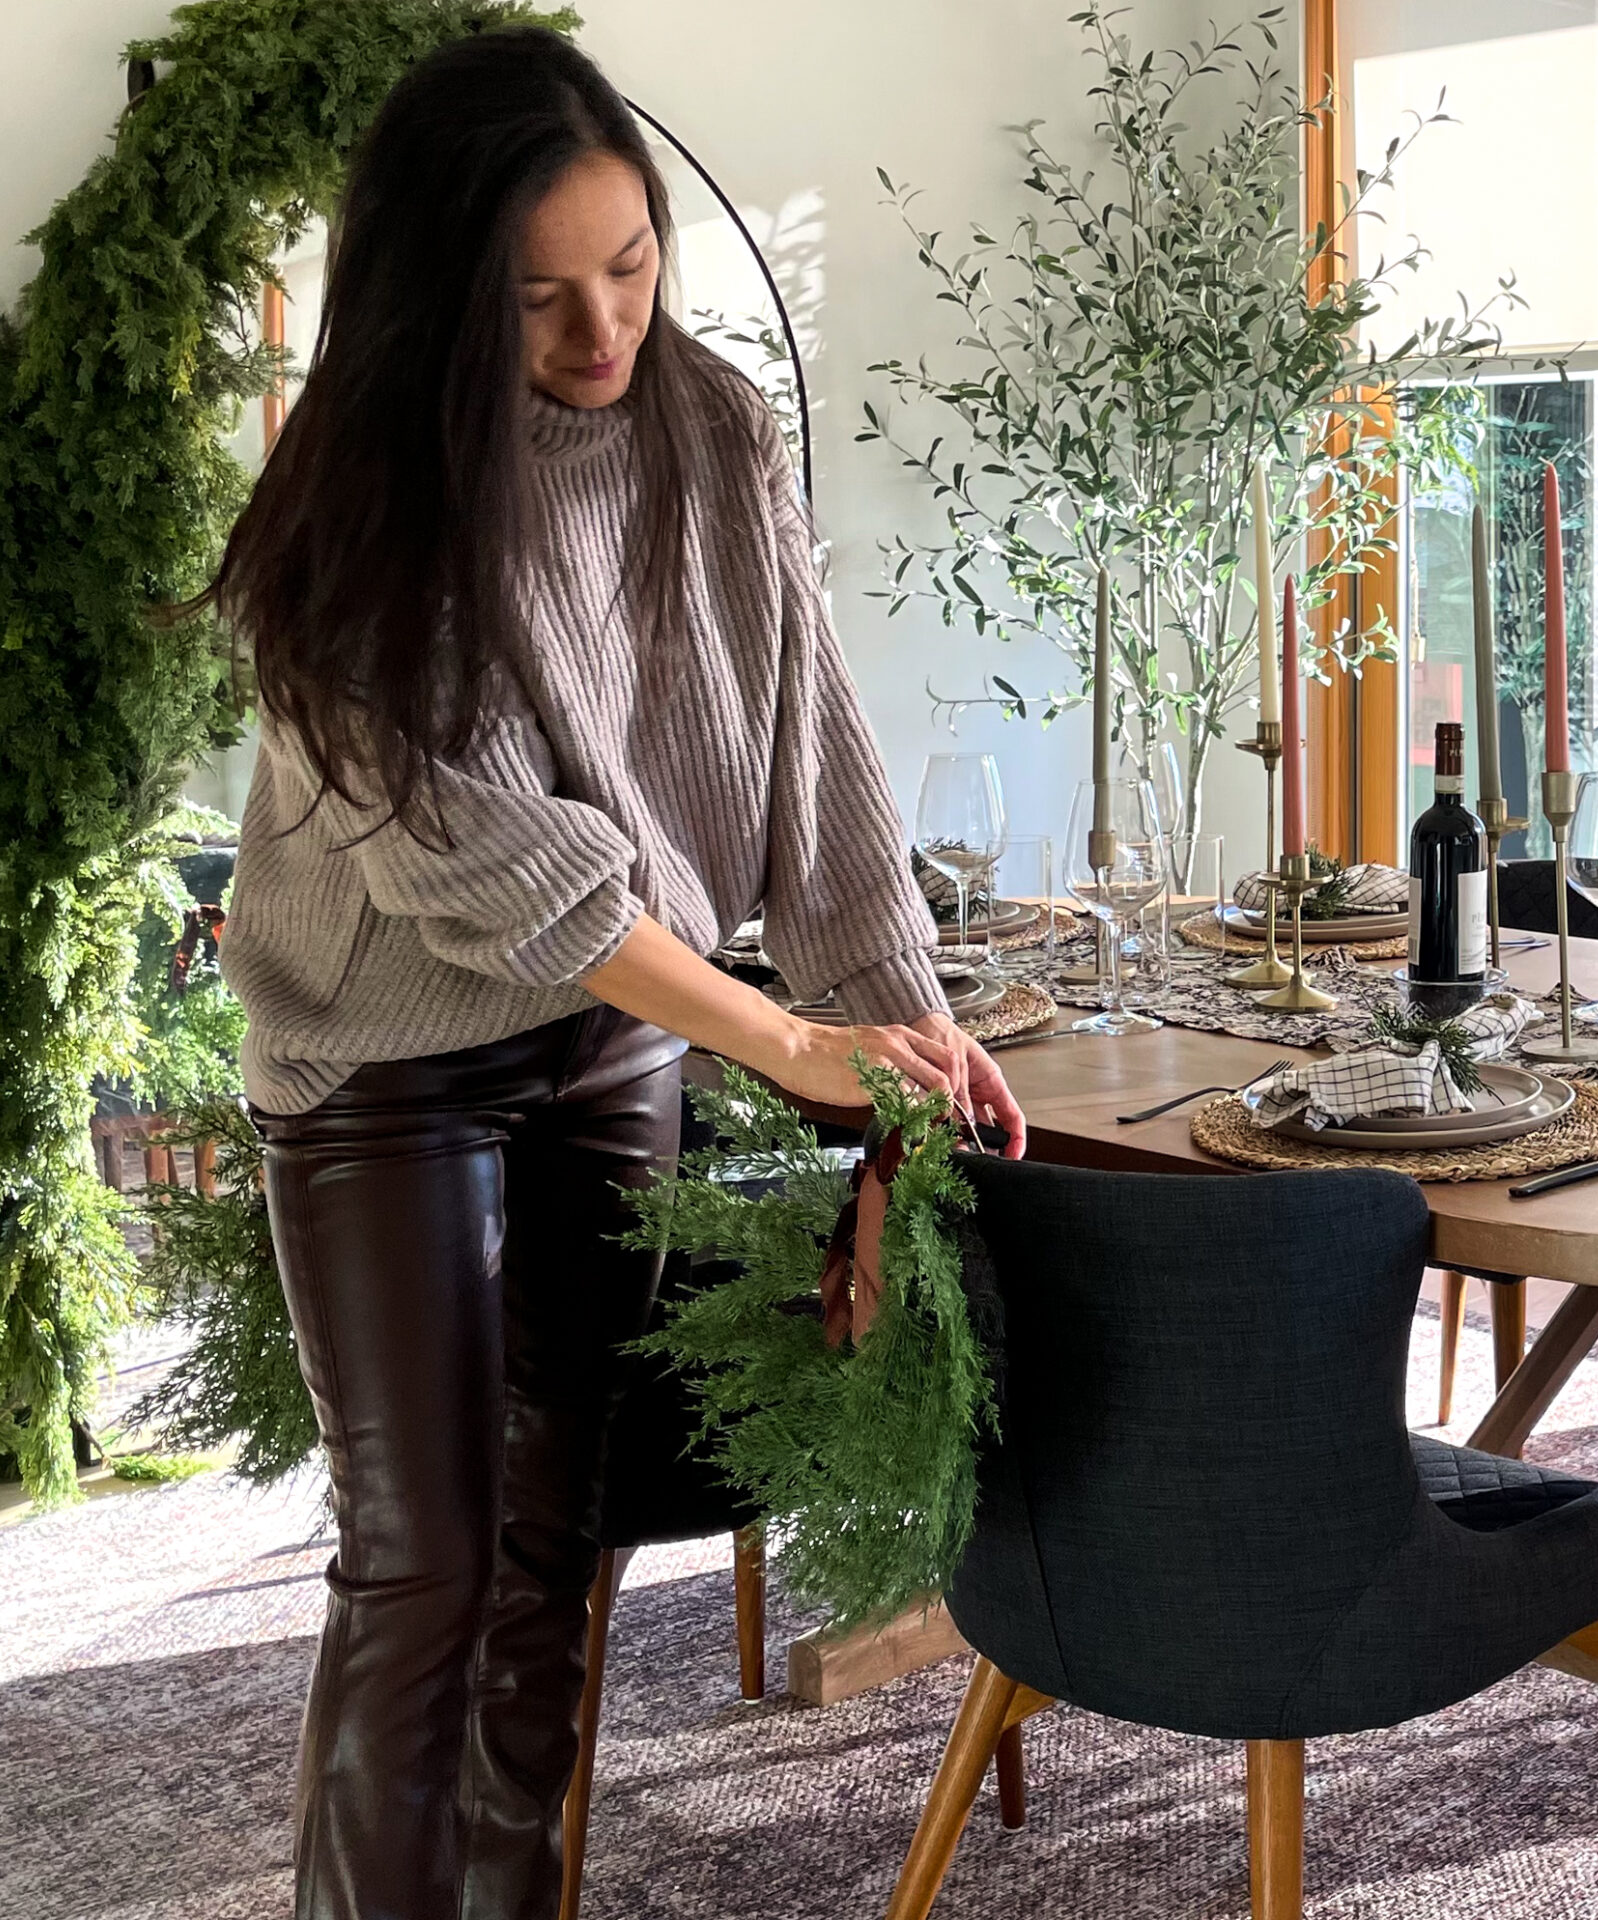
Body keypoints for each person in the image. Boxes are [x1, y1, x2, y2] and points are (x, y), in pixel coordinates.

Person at [205, 29, 1025, 1917]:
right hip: (386, 1060)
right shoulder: (355, 514)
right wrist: (792, 1040)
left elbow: (814, 758)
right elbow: (484, 858)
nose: (604, 331)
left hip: (605, 1040)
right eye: (542, 295)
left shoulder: (717, 434)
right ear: (433, 297)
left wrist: (901, 1055)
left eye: (634, 266)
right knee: (425, 1567)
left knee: (554, 1556)